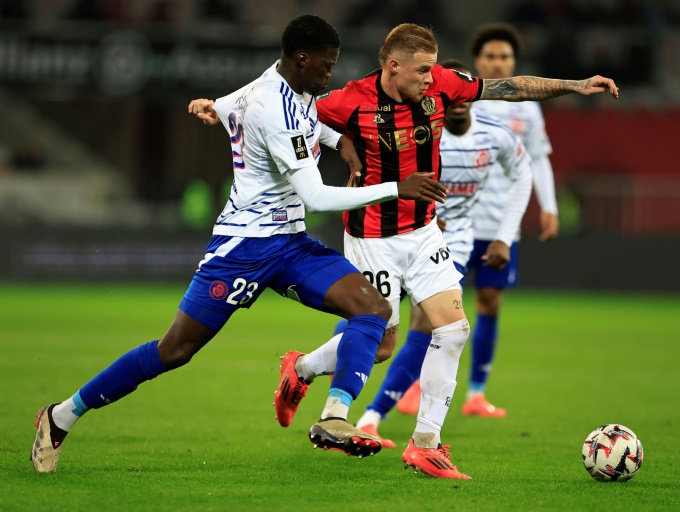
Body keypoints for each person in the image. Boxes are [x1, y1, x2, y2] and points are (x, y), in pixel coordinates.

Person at [30, 14, 447, 474]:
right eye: (326, 66)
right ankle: (60, 415)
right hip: (244, 247)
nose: (331, 75)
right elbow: (316, 195)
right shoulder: (276, 106)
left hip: (289, 244)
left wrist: (333, 139)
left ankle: (335, 418)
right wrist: (396, 187)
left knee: (373, 309)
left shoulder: (283, 87)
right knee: (175, 350)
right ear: (301, 58)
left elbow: (231, 107)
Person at [276, 22, 618, 480]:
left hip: (424, 232)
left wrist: (576, 85)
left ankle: (426, 444)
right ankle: (300, 368)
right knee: (382, 345)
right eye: (421, 70)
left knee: (454, 330)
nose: (429, 79)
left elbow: (511, 88)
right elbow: (286, 116)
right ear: (393, 66)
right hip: (373, 237)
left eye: (432, 69)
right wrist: (341, 143)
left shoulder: (441, 85)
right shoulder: (350, 100)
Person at [351, 58, 533, 449]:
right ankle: (321, 375)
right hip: (399, 234)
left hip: (453, 244)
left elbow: (523, 173)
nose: (459, 100)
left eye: (464, 92)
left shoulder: (494, 135)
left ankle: (372, 419)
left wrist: (504, 235)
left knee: (434, 327)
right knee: (378, 325)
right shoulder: (419, 133)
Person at [395, 23, 564, 418]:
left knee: (489, 302)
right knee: (426, 309)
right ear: (477, 62)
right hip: (448, 222)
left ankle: (476, 393)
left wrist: (550, 206)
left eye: (505, 57)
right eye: (490, 56)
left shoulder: (527, 107)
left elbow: (536, 158)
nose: (499, 63)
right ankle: (412, 386)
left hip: (499, 225)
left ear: (514, 61)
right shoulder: (457, 98)